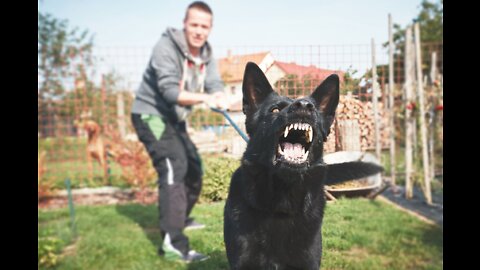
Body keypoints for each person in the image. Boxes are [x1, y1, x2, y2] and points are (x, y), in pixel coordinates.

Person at [130, 1, 227, 263]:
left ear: (210, 28)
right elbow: (170, 91)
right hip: (152, 115)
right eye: (194, 24)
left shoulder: (206, 53)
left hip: (175, 120)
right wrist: (204, 99)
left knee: (194, 168)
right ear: (185, 24)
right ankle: (173, 244)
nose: (199, 31)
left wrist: (218, 95)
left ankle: (180, 217)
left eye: (204, 26)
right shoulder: (166, 47)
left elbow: (214, 83)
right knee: (174, 165)